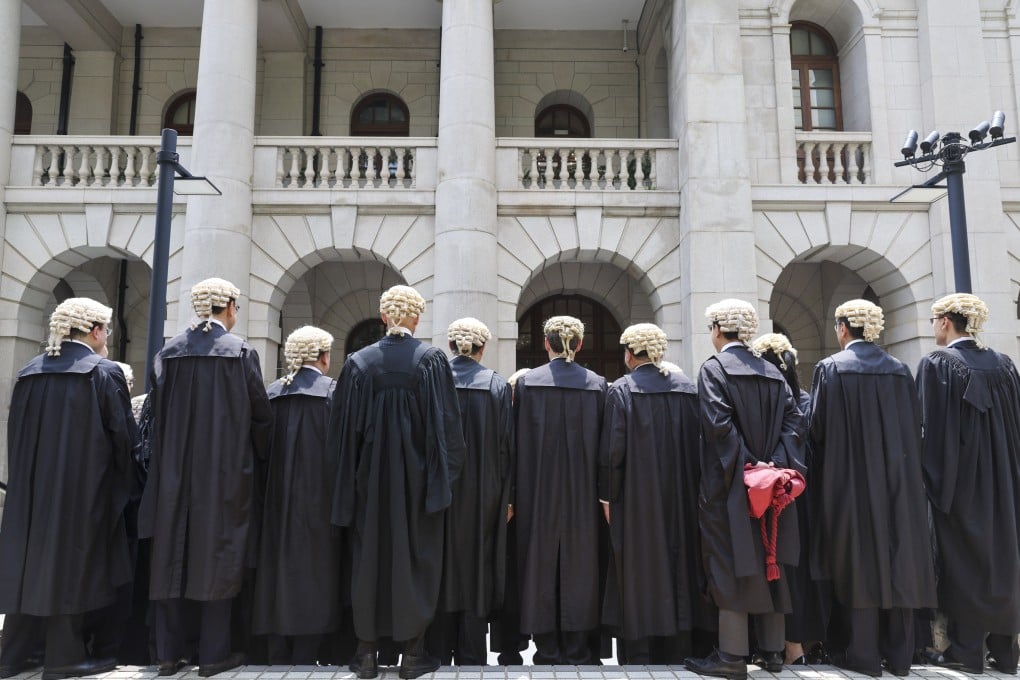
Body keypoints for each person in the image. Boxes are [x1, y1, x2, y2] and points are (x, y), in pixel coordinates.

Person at [329, 285, 466, 680]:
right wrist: (444, 481)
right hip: (419, 487)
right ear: (416, 317)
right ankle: (412, 654)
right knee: (418, 562)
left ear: (384, 315)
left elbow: (343, 435)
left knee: (368, 560)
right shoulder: (432, 361)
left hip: (368, 485)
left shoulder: (358, 363)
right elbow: (448, 431)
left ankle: (366, 654)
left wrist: (350, 485)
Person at [138, 278, 273, 677]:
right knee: (220, 554)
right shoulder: (240, 351)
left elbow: (155, 409)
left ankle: (168, 653)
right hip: (225, 471)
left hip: (172, 471)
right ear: (229, 306)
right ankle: (213, 654)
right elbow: (261, 415)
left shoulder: (169, 352)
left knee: (171, 556)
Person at [0, 298, 137, 680]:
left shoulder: (29, 372)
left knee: (31, 565)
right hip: (84, 493)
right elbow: (124, 440)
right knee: (72, 566)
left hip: (30, 492)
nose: (107, 337)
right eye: (106, 330)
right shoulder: (103, 373)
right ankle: (64, 658)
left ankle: (12, 655)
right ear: (95, 331)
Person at [809, 299, 936, 677]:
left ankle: (861, 655)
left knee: (858, 559)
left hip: (849, 481)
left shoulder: (831, 369)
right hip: (898, 482)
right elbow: (916, 424)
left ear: (843, 328)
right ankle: (899, 658)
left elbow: (816, 429)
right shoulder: (899, 370)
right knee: (899, 559)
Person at [684, 300, 806, 680]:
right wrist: (774, 465)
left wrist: (750, 467)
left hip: (733, 485)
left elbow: (719, 427)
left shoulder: (714, 370)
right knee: (772, 559)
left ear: (719, 329)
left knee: (730, 562)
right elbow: (794, 424)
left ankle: (732, 656)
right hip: (774, 486)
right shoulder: (772, 372)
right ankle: (772, 652)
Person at [916, 293, 1020, 674]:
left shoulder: (937, 364)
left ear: (945, 322)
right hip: (1005, 482)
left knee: (965, 562)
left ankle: (968, 651)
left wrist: (932, 482)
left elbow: (931, 429)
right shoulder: (1006, 365)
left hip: (960, 483)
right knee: (1003, 560)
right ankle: (1006, 653)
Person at [599, 323, 710, 664]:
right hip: (684, 496)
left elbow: (612, 452)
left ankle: (640, 653)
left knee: (638, 569)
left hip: (636, 500)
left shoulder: (621, 390)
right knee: (682, 565)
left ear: (630, 354)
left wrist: (608, 497)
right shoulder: (689, 389)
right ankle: (679, 648)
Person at [514, 316, 607, 665]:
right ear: (579, 344)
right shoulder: (598, 385)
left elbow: (516, 441)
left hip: (537, 491)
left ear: (546, 343)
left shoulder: (527, 384)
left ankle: (547, 648)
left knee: (540, 563)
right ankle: (579, 649)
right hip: (584, 493)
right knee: (583, 563)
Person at [252, 326, 345, 664]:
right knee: (316, 574)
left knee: (276, 573)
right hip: (321, 504)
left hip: (276, 501)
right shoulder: (335, 393)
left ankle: (278, 651)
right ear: (322, 356)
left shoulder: (273, 393)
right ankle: (309, 651)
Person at [426, 318, 514, 665]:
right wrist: (507, 497)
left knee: (438, 565)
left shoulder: (431, 382)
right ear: (483, 348)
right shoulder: (495, 386)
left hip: (437, 495)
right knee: (477, 568)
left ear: (450, 345)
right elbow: (507, 447)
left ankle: (435, 648)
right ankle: (472, 653)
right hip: (483, 495)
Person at [751, 333, 830, 665]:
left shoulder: (759, 404)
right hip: (803, 496)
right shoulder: (805, 400)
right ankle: (800, 642)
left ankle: (785, 644)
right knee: (799, 573)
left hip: (768, 495)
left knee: (776, 571)